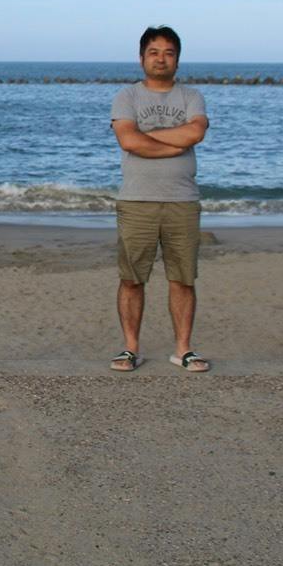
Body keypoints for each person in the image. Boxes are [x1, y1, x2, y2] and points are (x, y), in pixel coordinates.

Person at [109, 26, 211, 373]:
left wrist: (148, 137)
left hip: (182, 201)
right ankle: (130, 349)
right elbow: (128, 141)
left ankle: (183, 350)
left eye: (168, 53)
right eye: (154, 52)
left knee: (183, 278)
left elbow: (195, 132)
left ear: (177, 60)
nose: (161, 59)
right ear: (142, 58)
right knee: (132, 278)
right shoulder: (127, 96)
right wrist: (173, 143)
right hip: (137, 200)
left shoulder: (191, 96)